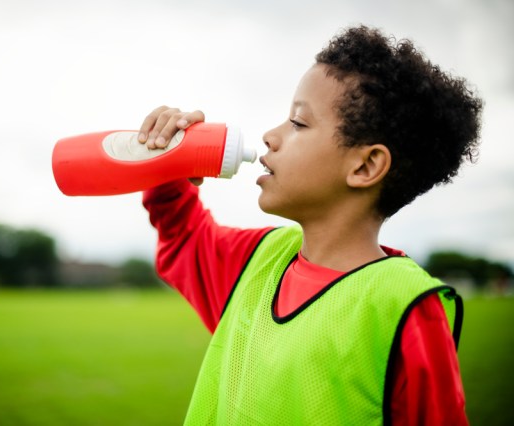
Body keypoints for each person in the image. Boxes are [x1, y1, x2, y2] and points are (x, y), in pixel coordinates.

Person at [138, 25, 482, 425]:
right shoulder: (255, 262)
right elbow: (183, 234)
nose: (270, 136)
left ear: (366, 165)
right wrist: (169, 162)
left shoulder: (405, 308)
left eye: (298, 123)